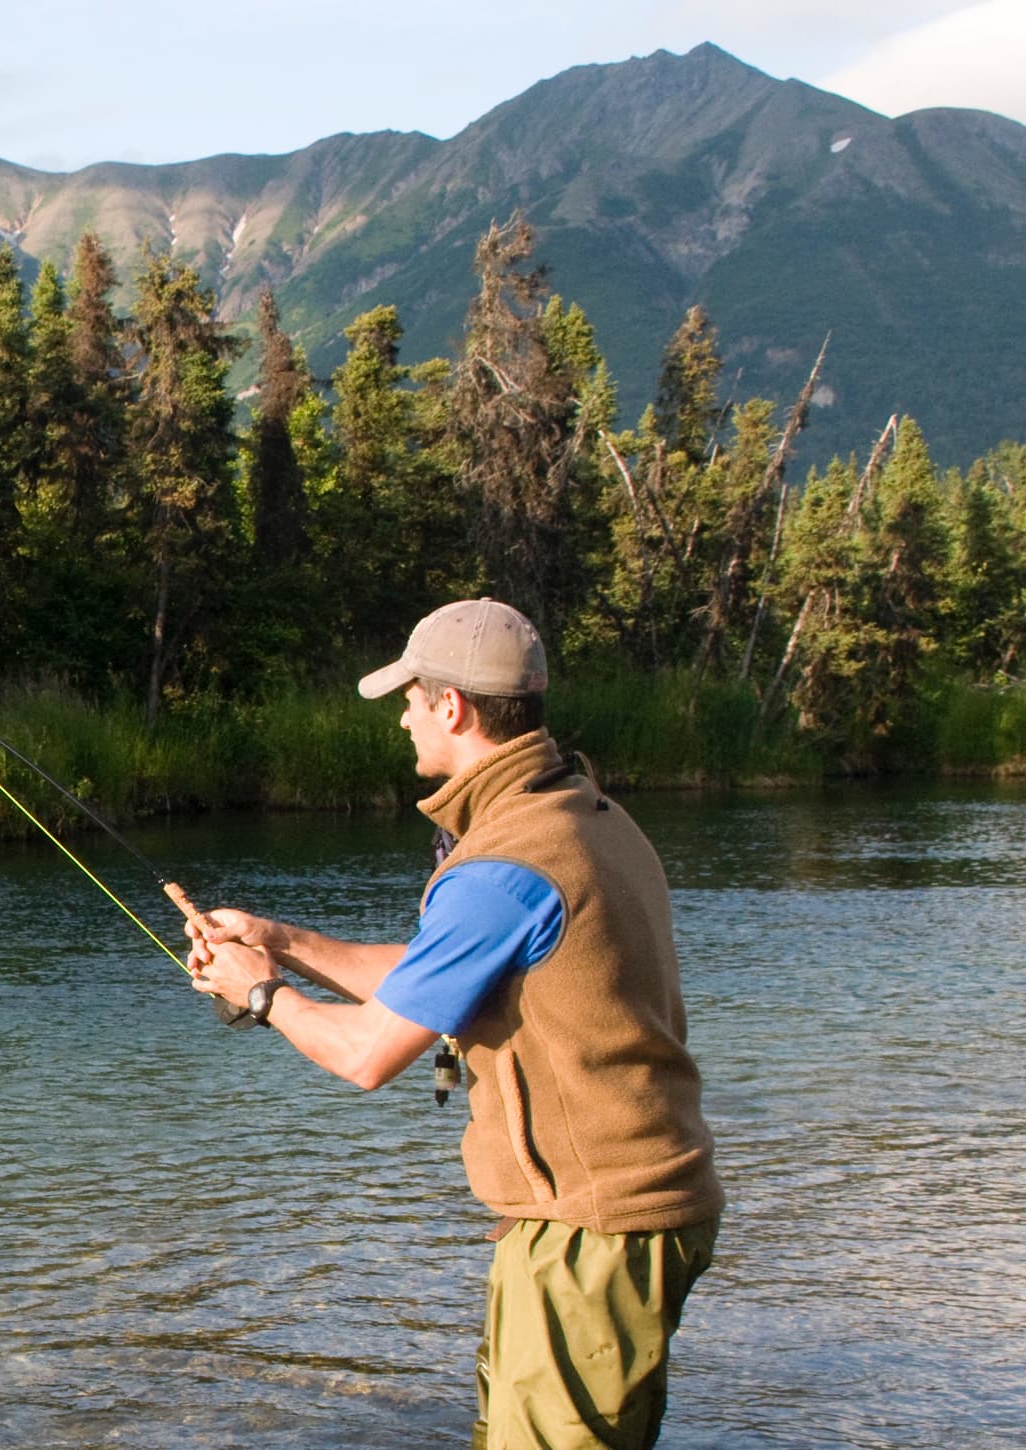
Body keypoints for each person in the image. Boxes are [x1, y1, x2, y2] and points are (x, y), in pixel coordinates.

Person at [183, 598, 721, 1450]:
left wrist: (263, 994)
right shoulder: (581, 814)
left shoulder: (504, 866)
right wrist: (283, 942)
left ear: (454, 708)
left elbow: (367, 1054)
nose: (401, 715)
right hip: (620, 1210)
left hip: (593, 1228)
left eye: (409, 695)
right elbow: (445, 975)